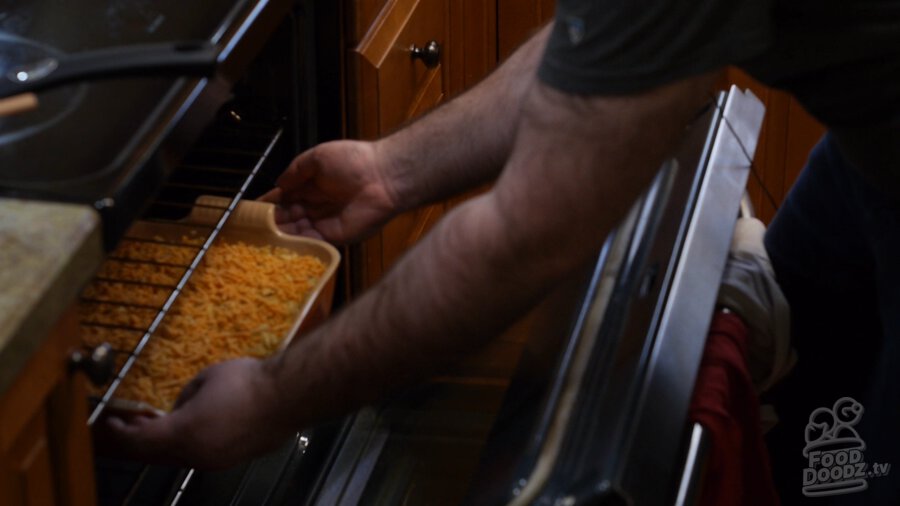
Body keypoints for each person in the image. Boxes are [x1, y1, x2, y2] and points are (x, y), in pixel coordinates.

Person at [109, 1, 900, 503]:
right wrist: (393, 172)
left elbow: (523, 240)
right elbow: (605, 37)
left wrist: (267, 401)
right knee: (817, 424)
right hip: (872, 147)